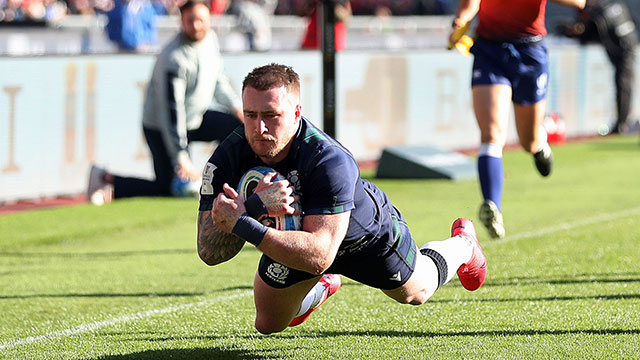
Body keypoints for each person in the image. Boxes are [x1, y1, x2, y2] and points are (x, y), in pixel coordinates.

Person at [196, 63, 488, 334]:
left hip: (362, 237)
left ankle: (463, 246)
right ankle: (322, 287)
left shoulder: (328, 159)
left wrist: (243, 222)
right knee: (268, 324)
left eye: (271, 116)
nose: (259, 128)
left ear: (297, 113)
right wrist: (255, 207)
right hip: (299, 243)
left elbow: (320, 255)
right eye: (251, 115)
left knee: (416, 292)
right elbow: (208, 252)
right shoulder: (229, 156)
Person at [448, 0, 586, 239]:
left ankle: (539, 144)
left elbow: (579, 2)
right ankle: (492, 206)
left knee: (528, 140)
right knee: (491, 134)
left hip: (529, 51)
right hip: (490, 50)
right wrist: (461, 21)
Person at [88, 0, 243, 204]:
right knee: (166, 188)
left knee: (237, 128)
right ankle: (105, 179)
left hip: (193, 118)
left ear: (209, 20)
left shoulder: (210, 40)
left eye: (201, 20)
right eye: (190, 20)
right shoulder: (174, 58)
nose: (196, 25)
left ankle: (218, 180)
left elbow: (218, 79)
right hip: (160, 128)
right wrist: (181, 156)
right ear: (181, 21)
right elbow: (172, 112)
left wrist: (236, 107)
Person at [556, 0, 637, 135]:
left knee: (623, 84)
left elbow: (589, 34)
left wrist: (574, 31)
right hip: (625, 48)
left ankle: (622, 124)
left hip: (625, 51)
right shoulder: (609, 9)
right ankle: (622, 123)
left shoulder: (601, 15)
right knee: (622, 84)